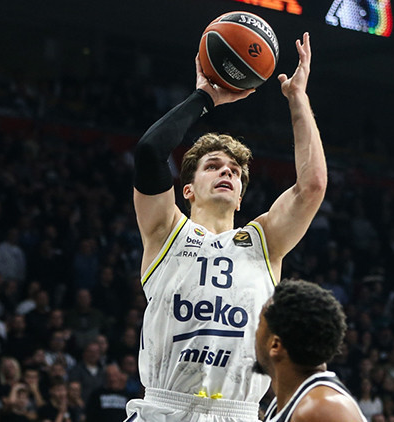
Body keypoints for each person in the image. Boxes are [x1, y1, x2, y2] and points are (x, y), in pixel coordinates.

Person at [128, 30, 327, 422]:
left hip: (237, 412)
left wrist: (298, 99)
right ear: (187, 189)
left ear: (240, 197)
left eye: (234, 171)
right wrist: (206, 96)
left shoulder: (265, 242)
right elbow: (150, 151)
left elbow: (312, 186)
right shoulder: (165, 231)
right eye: (213, 166)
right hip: (164, 408)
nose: (227, 173)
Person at [254, 279, 366, 422]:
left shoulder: (321, 408)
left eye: (259, 324)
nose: (254, 334)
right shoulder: (291, 403)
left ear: (275, 345)